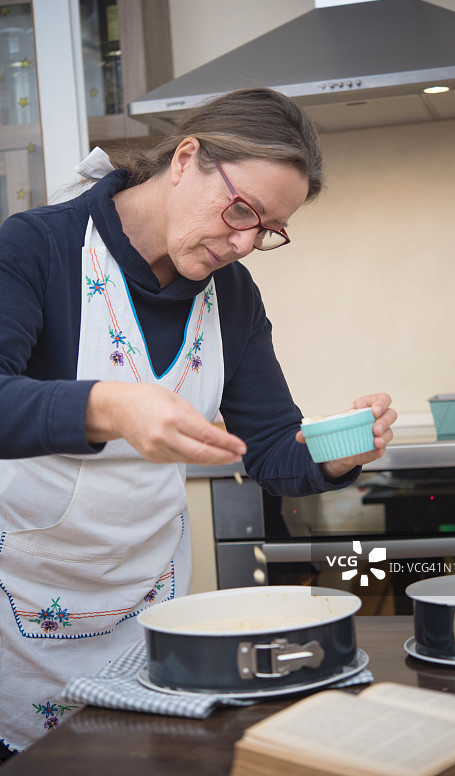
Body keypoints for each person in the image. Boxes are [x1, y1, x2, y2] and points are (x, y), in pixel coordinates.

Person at [0, 87, 396, 755]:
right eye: (241, 209)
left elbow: (272, 451)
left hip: (149, 612)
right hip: (20, 610)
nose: (244, 241)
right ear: (186, 157)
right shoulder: (39, 248)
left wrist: (339, 452)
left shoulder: (233, 299)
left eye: (267, 230)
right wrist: (111, 405)